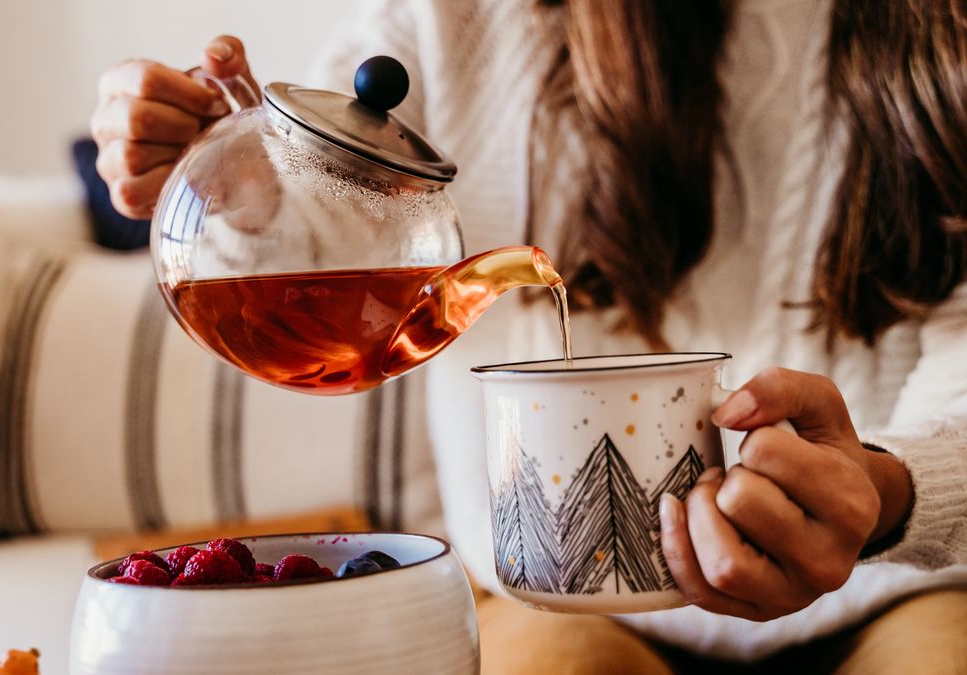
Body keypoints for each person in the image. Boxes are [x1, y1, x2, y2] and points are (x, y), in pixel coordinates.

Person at [90, 1, 967, 671]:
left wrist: (890, 488)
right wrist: (228, 181)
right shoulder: (458, 19)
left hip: (890, 581)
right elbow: (318, 213)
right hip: (549, 602)